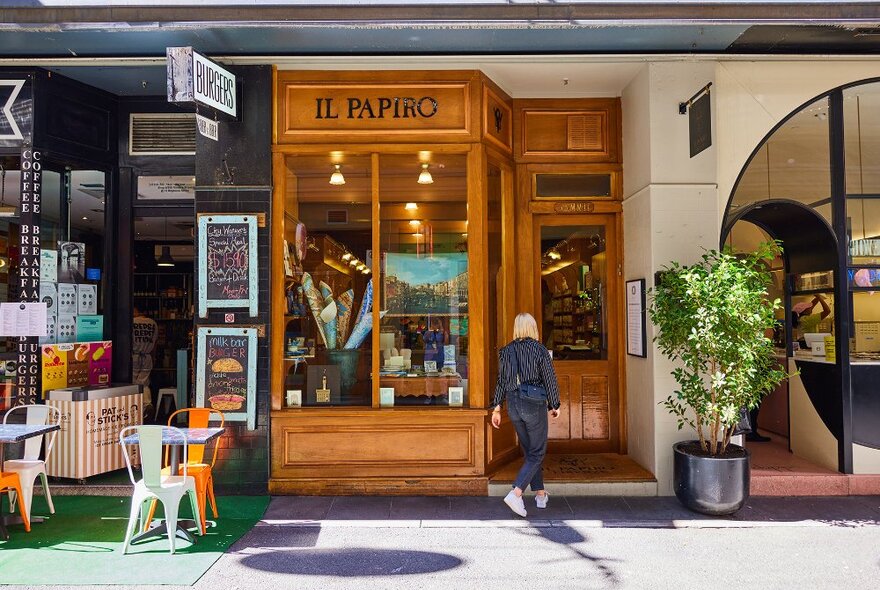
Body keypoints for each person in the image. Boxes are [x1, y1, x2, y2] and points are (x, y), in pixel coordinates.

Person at [490, 312, 560, 518]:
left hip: (513, 404)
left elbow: (502, 381)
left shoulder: (507, 350)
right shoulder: (540, 350)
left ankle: (540, 495)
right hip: (534, 404)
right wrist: (554, 404)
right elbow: (550, 378)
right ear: (533, 328)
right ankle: (516, 493)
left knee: (531, 451)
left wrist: (496, 407)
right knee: (537, 452)